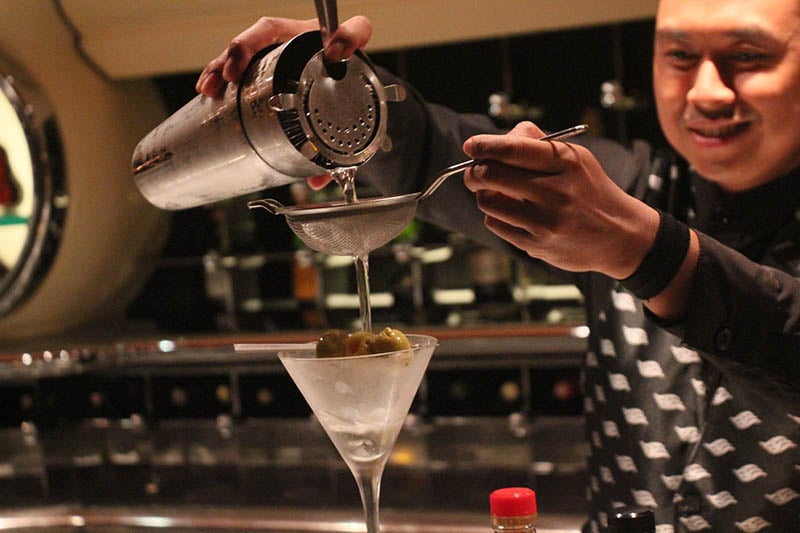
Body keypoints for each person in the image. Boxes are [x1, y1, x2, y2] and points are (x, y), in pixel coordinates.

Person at [197, 0, 800, 530]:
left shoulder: (628, 215)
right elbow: (431, 149)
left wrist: (648, 253)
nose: (706, 91)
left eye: (748, 56)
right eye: (679, 56)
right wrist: (341, 83)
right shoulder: (634, 189)